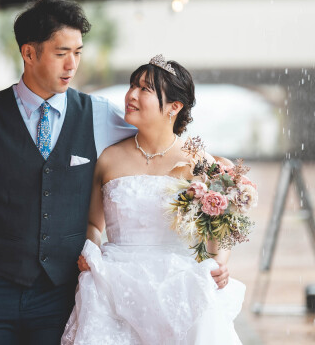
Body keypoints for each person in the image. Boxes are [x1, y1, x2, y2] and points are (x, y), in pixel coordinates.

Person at [0, 0, 136, 344]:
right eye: (61, 53)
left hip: (63, 295)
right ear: (29, 53)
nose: (72, 65)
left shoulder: (98, 114)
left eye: (78, 52)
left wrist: (205, 166)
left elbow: (153, 143)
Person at [61, 55, 246, 345]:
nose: (131, 95)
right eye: (132, 85)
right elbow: (93, 225)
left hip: (179, 286)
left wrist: (219, 263)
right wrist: (90, 249)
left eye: (144, 89)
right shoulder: (109, 158)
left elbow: (221, 222)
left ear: (174, 107)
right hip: (115, 283)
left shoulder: (198, 161)